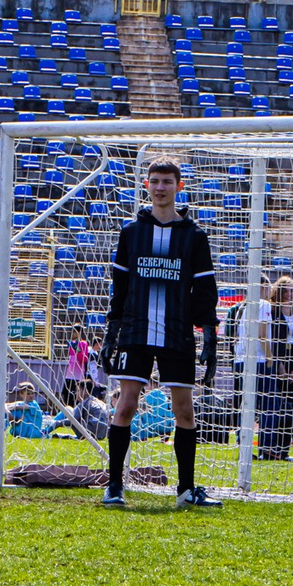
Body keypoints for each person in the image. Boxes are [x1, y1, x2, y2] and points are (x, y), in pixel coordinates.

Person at [98, 157, 220, 510]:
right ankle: (115, 486)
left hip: (177, 332)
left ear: (179, 187)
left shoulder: (194, 236)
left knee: (184, 411)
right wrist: (111, 332)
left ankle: (185, 489)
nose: (161, 187)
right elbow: (119, 287)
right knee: (125, 406)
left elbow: (205, 291)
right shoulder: (131, 233)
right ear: (147, 186)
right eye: (155, 181)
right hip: (136, 330)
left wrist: (209, 335)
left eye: (167, 181)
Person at [257, 275, 293, 460]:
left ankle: (284, 449)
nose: (289, 294)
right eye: (285, 291)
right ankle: (267, 448)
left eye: (292, 291)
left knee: (290, 408)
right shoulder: (272, 314)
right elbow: (271, 340)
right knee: (272, 407)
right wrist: (278, 366)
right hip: (275, 363)